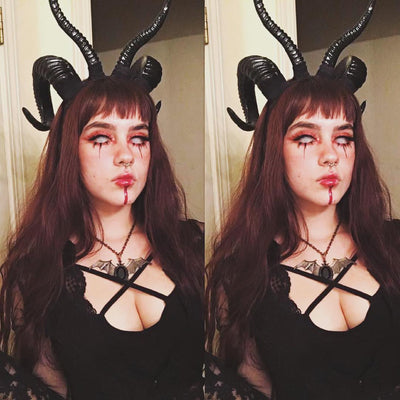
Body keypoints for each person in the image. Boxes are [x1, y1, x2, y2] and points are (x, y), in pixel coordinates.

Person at [0, 1, 203, 399]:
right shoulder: (36, 274)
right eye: (101, 138)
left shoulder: (193, 245)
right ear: (69, 151)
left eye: (138, 137)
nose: (126, 155)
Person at [206, 1, 400, 399]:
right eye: (306, 138)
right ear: (273, 150)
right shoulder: (241, 276)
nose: (331, 155)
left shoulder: (393, 243)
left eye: (343, 138)